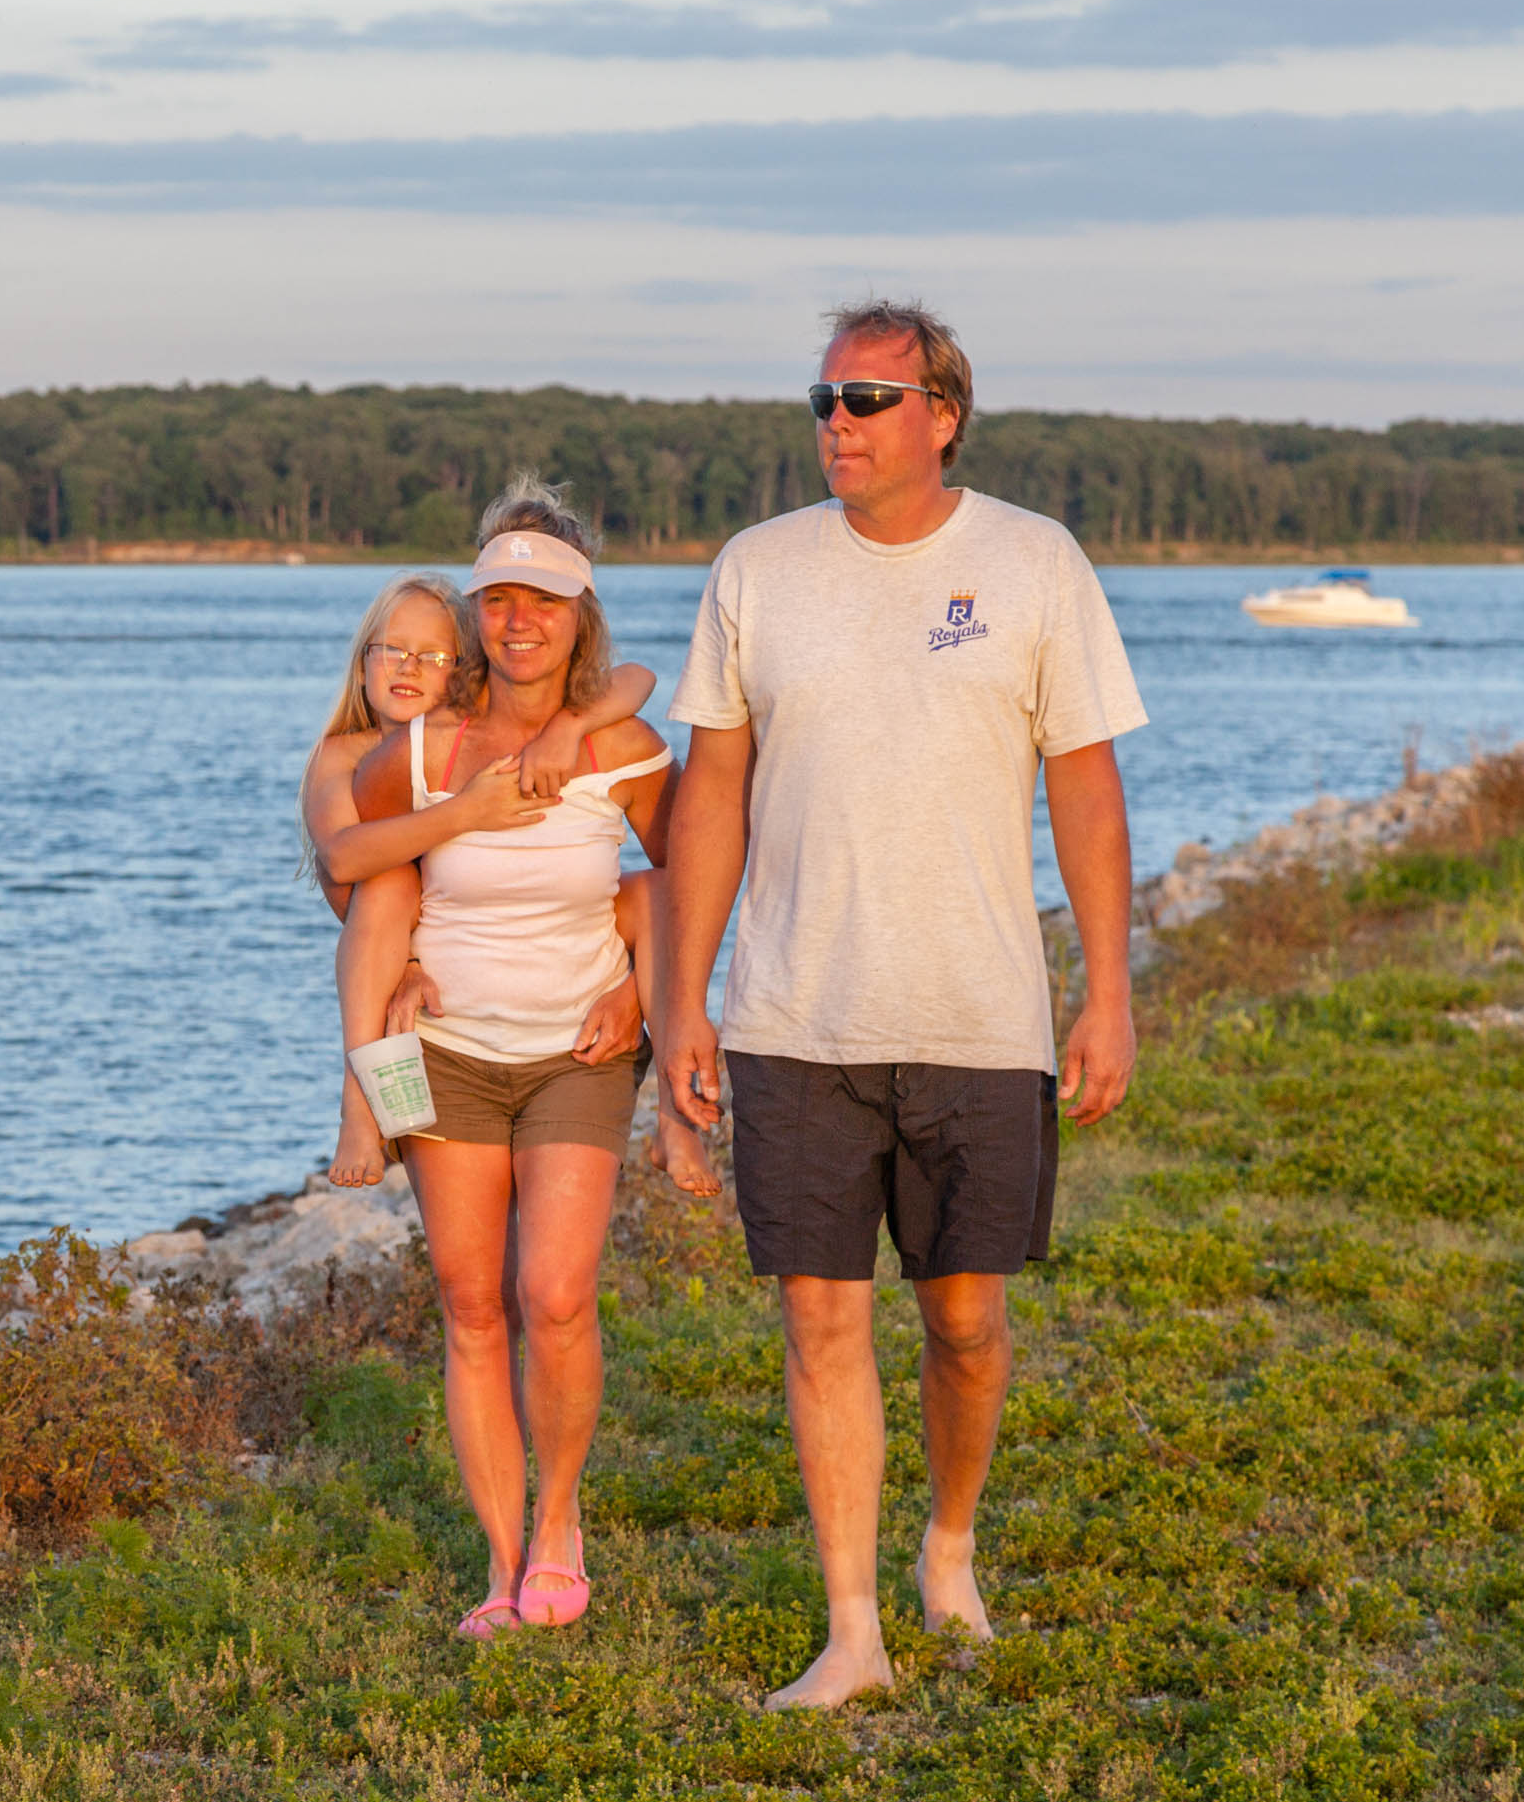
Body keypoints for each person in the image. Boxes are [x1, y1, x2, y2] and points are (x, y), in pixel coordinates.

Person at [654, 300, 1145, 1710]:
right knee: (821, 1320)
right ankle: (853, 1629)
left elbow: (1087, 791)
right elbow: (713, 793)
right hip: (794, 1017)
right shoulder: (757, 569)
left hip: (978, 1016)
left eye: (871, 398)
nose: (839, 422)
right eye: (825, 397)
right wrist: (684, 996)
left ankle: (949, 1543)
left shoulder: (1035, 562)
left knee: (966, 1322)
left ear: (943, 413)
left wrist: (1107, 993)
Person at [348, 477, 709, 1640]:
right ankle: (502, 1565)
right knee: (469, 1303)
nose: (517, 620)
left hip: (577, 1052)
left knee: (552, 1295)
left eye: (541, 601)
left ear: (579, 615)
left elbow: (688, 881)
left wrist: (641, 993)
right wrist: (393, 977)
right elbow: (352, 873)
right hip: (440, 1055)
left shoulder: (621, 744)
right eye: (497, 599)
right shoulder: (419, 753)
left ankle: (561, 1520)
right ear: (473, 615)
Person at [300, 577, 656, 1185]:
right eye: (391, 649)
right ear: (362, 665)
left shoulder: (466, 741)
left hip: (495, 960)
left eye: (434, 656)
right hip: (391, 943)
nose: (409, 667)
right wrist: (464, 812)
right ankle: (359, 1104)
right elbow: (342, 859)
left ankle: (658, 1056)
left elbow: (639, 678)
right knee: (388, 886)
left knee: (642, 891)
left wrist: (568, 727)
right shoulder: (345, 752)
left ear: (465, 670)